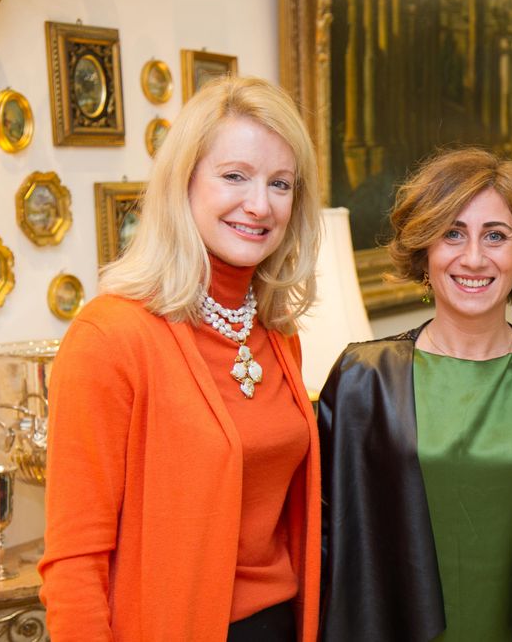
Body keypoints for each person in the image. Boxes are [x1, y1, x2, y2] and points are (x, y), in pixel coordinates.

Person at [39, 77, 324, 642]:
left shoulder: (277, 334)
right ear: (184, 182)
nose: (259, 204)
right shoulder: (109, 338)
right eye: (235, 176)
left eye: (280, 183)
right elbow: (74, 562)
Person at [319, 147, 512, 641]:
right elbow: (328, 543)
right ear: (424, 248)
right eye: (452, 233)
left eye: (496, 236)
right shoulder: (364, 380)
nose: (473, 258)